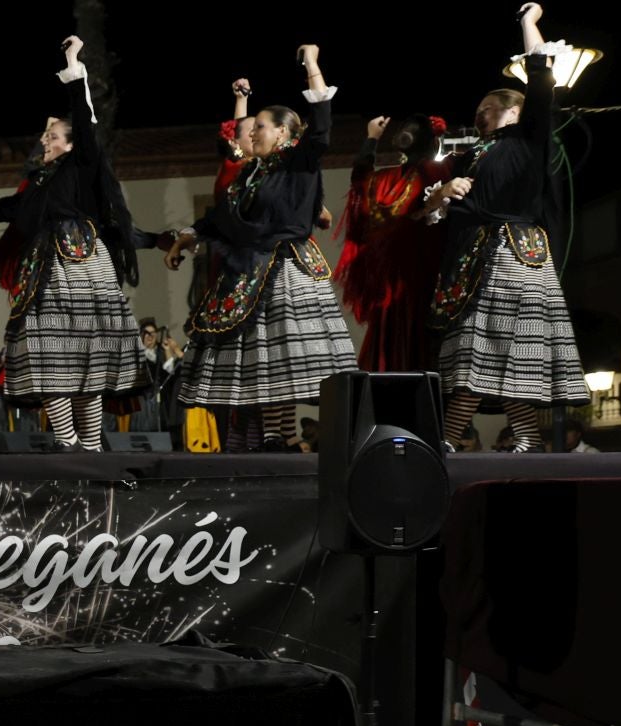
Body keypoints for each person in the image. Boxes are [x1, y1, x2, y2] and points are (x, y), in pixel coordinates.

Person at [0, 35, 142, 452]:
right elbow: (12, 207)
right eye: (44, 134)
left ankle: (90, 447)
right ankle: (70, 441)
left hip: (81, 268)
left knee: (87, 363)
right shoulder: (40, 183)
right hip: (43, 274)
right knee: (45, 357)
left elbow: (84, 119)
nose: (45, 139)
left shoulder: (83, 165)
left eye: (52, 134)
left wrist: (75, 66)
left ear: (73, 144)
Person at [165, 43, 356, 452]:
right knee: (266, 360)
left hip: (287, 268)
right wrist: (189, 235)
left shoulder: (298, 162)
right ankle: (278, 436)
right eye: (251, 130)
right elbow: (224, 216)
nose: (251, 133)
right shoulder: (252, 173)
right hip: (251, 268)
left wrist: (311, 65)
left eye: (261, 128)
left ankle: (283, 436)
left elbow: (320, 127)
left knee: (284, 358)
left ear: (284, 132)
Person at [422, 3, 589, 452]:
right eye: (478, 110)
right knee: (495, 349)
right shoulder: (473, 155)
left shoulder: (528, 136)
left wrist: (528, 25)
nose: (480, 114)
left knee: (487, 345)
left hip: (514, 251)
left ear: (515, 111)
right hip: (474, 256)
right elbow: (431, 215)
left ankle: (448, 439)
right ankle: (528, 439)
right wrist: (441, 193)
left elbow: (539, 80)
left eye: (489, 108)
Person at [334, 113, 453, 372]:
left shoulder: (436, 172)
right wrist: (371, 139)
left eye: (414, 128)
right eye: (405, 125)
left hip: (417, 277)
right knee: (386, 338)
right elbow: (360, 181)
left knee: (414, 340)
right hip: (385, 280)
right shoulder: (385, 178)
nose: (406, 130)